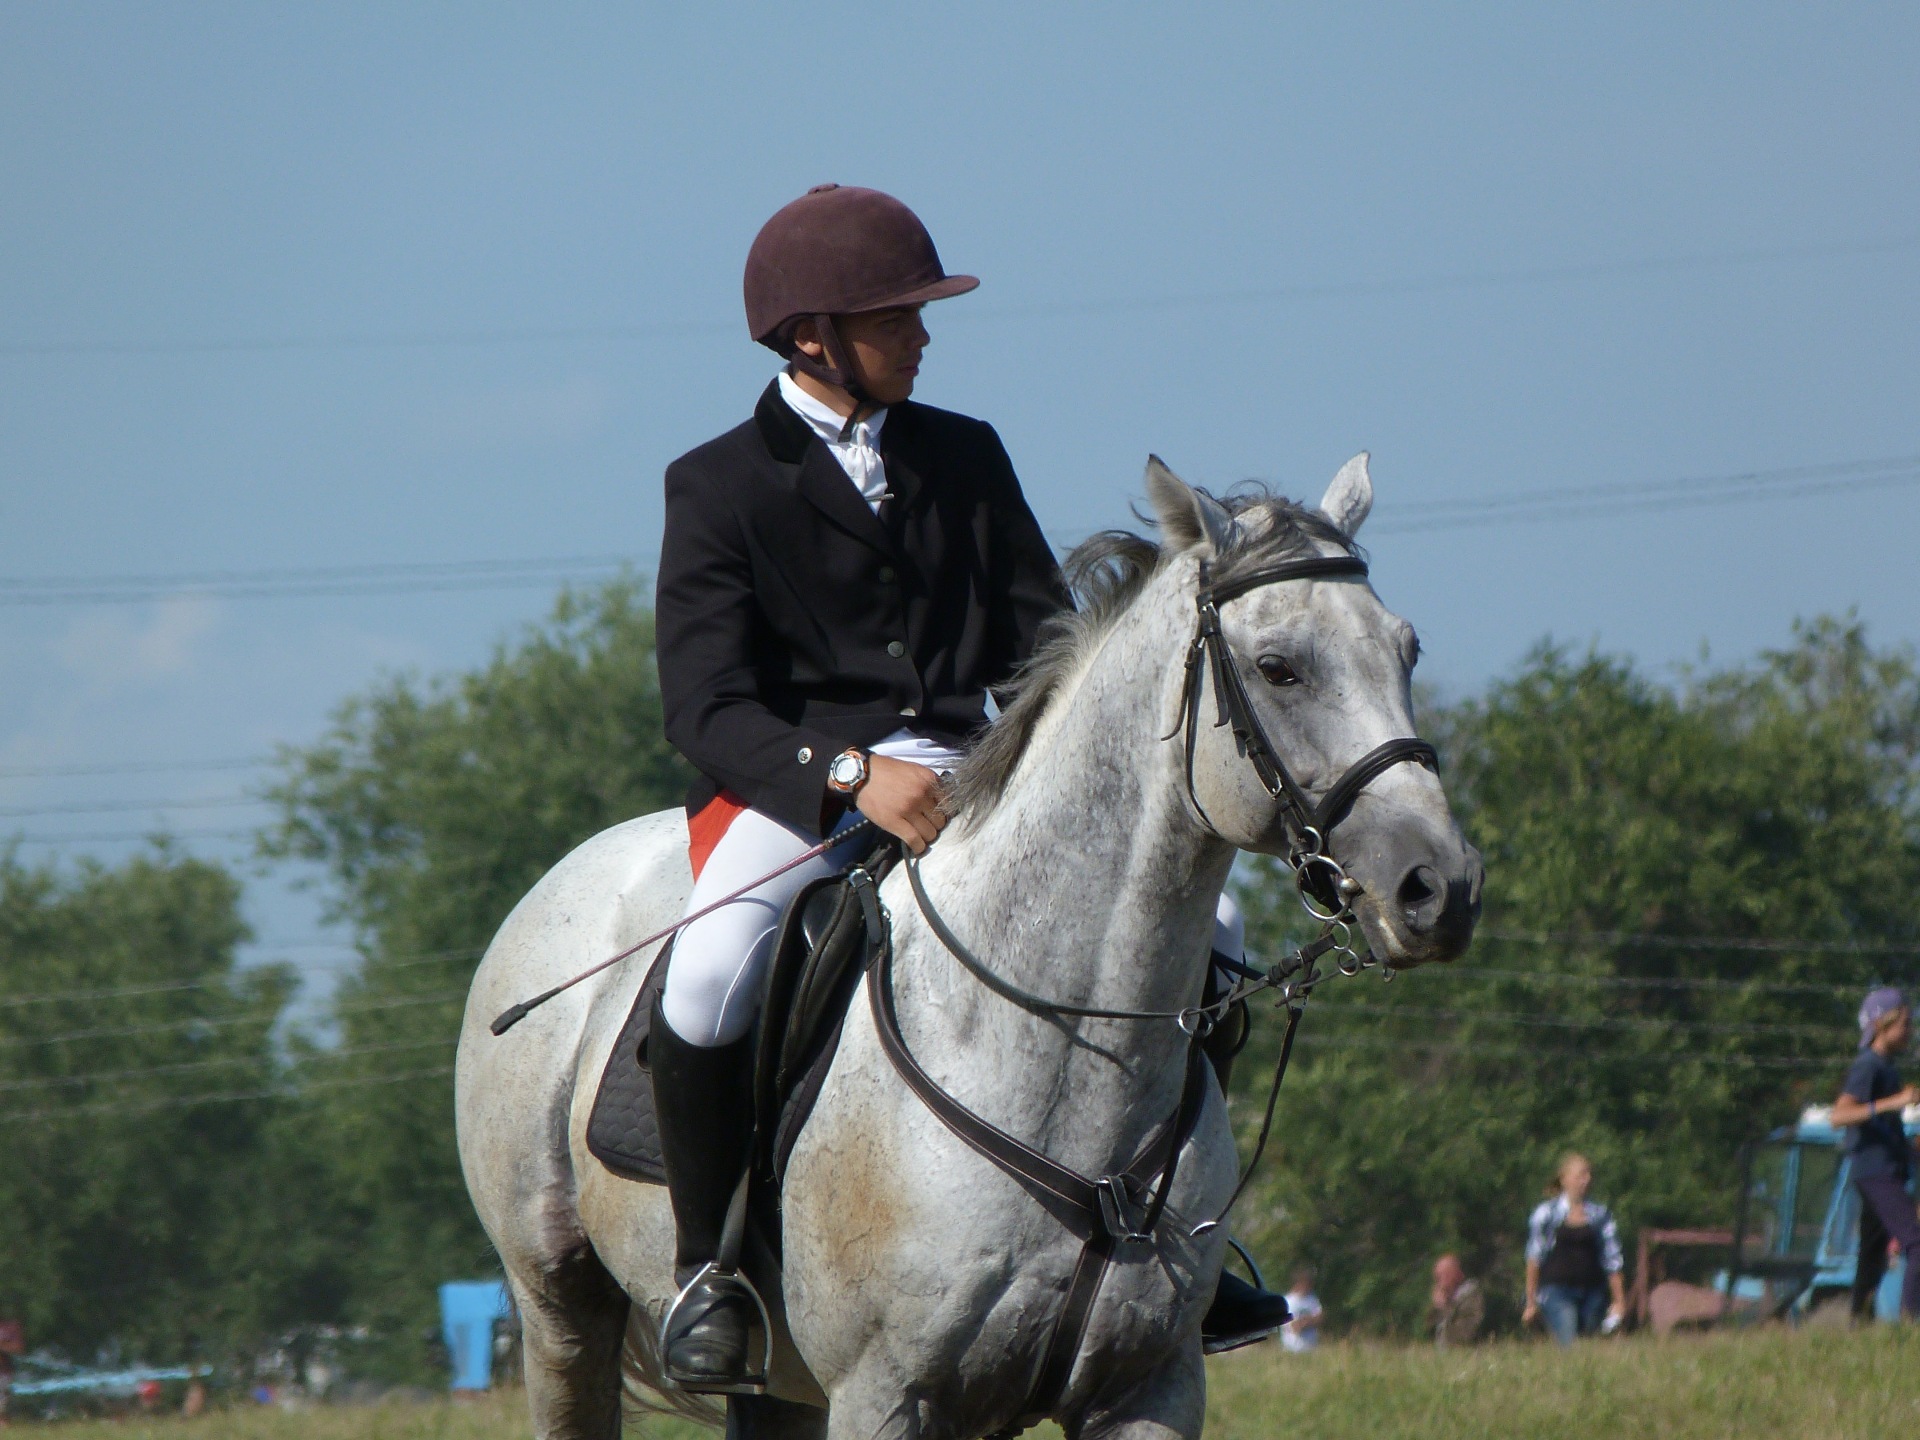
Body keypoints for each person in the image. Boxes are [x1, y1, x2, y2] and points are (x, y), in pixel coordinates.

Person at [649, 184, 1291, 1390]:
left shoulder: (965, 451)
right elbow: (704, 705)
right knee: (710, 969)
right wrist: (848, 775)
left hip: (978, 766)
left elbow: (1043, 645)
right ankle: (710, 1272)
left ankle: (1177, 1230)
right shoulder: (718, 482)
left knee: (1220, 931)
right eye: (896, 318)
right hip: (802, 789)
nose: (923, 336)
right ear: (811, 338)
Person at [1832, 986, 1920, 1322]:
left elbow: (1880, 1128)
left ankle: (1859, 1322)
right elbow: (1840, 1115)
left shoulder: (1886, 1067)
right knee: (1916, 1243)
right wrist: (1894, 1102)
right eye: (1905, 1024)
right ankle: (1912, 1324)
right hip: (1876, 1171)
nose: (1910, 1031)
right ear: (1883, 1025)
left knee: (1871, 1255)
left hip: (1883, 1167)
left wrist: (1909, 1149)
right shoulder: (1868, 1066)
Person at [1522, 1153, 1626, 1345]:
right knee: (1569, 1341)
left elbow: (1612, 1260)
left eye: (1588, 1175)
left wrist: (1619, 1301)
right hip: (1556, 1291)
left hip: (1593, 1292)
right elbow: (1534, 1258)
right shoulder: (1546, 1214)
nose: (1586, 1180)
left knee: (1590, 1343)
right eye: (1580, 1175)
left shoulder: (1600, 1215)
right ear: (1564, 1179)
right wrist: (1530, 1302)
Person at [1430, 1253, 1484, 1347]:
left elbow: (1456, 1332)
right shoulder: (1450, 1298)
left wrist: (1442, 1305)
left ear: (1456, 1274)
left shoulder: (1470, 1293)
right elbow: (1428, 1326)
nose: (1439, 1283)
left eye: (1442, 1276)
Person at [1280, 1269, 1322, 1353]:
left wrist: (1307, 1322)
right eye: (1306, 1283)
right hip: (1291, 1348)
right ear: (1298, 1283)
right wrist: (1299, 1324)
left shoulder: (1312, 1299)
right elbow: (1287, 1324)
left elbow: (1319, 1317)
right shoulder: (1287, 1301)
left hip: (1310, 1348)